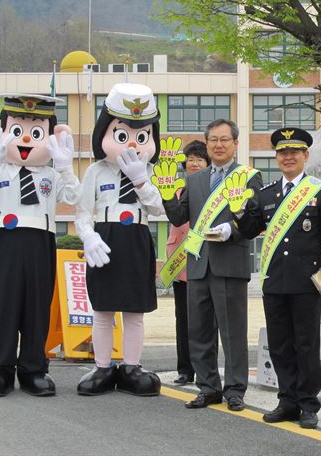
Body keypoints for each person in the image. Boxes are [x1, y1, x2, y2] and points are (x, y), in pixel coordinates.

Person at [235, 127, 321, 429]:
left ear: (305, 156)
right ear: (277, 157)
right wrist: (238, 212)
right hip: (275, 281)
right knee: (281, 344)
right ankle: (287, 400)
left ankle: (308, 404)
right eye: (283, 153)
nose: (288, 157)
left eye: (294, 152)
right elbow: (247, 231)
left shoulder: (319, 191)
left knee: (306, 344)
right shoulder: (266, 194)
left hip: (307, 282)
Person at [0, 94, 79, 397]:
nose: (26, 138)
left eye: (36, 133)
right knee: (3, 305)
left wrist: (66, 167)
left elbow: (75, 199)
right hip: (6, 240)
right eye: (17, 131)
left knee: (37, 307)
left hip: (41, 241)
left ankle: (33, 369)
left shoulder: (51, 174)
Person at [163, 118, 262, 411]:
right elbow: (179, 218)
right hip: (198, 264)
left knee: (232, 332)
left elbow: (254, 220)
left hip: (230, 261)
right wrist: (167, 191)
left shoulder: (249, 176)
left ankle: (234, 390)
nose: (219, 145)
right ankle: (208, 387)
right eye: (213, 140)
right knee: (200, 331)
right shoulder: (193, 179)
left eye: (224, 140)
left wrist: (232, 228)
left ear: (235, 143)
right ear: (207, 145)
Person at [75, 83, 164, 397]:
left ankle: (131, 366)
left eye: (142, 137)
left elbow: (159, 209)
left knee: (134, 311)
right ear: (104, 132)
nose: (133, 144)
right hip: (106, 238)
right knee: (103, 310)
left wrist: (142, 181)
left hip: (137, 239)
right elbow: (82, 212)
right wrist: (88, 237)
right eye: (122, 135)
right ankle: (102, 366)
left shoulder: (152, 171)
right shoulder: (96, 172)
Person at [167, 140, 210, 385]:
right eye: (190, 159)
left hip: (202, 258)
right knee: (182, 317)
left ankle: (204, 367)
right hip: (179, 260)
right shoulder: (176, 188)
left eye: (199, 159)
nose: (194, 163)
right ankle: (185, 369)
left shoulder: (210, 187)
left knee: (203, 318)